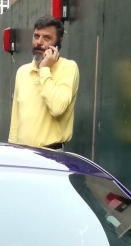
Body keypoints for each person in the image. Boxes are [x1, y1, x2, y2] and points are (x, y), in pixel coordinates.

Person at [8, 16, 80, 150]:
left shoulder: (69, 68)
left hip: (52, 155)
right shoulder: (22, 72)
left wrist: (44, 69)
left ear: (59, 42)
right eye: (36, 36)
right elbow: (15, 119)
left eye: (47, 38)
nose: (39, 42)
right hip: (22, 154)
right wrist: (12, 149)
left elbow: (57, 108)